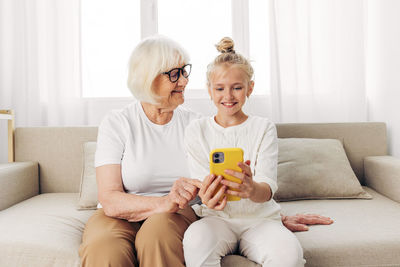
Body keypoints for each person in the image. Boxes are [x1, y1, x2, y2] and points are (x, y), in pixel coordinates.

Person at [79, 35, 333, 267]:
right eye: (175, 74)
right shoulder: (117, 122)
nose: (185, 80)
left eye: (185, 71)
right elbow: (110, 198)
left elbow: (233, 181)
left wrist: (270, 218)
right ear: (149, 77)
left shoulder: (197, 125)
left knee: (157, 236)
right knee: (104, 248)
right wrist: (164, 201)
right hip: (123, 214)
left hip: (175, 214)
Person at [183, 37, 305, 267]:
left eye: (237, 88)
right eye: (219, 88)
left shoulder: (263, 127)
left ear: (250, 88)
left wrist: (251, 189)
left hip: (260, 220)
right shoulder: (196, 130)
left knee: (289, 255)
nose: (228, 96)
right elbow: (203, 191)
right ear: (209, 90)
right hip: (216, 219)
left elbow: (267, 188)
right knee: (195, 241)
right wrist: (207, 196)